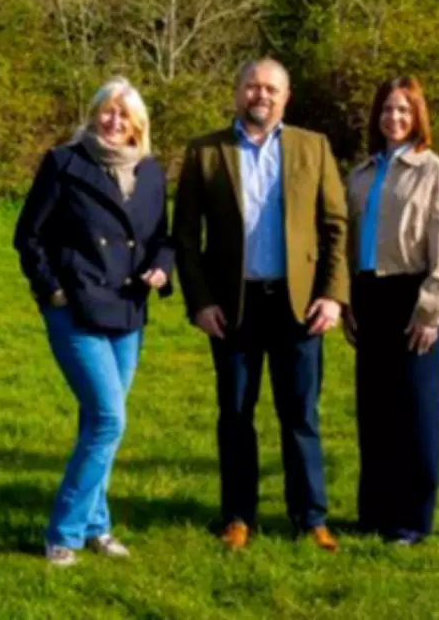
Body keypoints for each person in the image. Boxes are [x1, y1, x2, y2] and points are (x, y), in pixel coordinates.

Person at [172, 58, 349, 552]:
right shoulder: (206, 152)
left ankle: (310, 518)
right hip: (233, 307)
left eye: (271, 88)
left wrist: (333, 295)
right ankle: (237, 517)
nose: (261, 95)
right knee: (235, 414)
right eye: (252, 86)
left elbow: (336, 226)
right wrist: (200, 301)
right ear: (237, 92)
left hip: (299, 306)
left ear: (286, 97)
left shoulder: (313, 146)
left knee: (301, 415)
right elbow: (184, 236)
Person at [14, 77, 173, 566]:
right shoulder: (64, 163)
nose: (114, 121)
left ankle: (96, 526)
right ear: (93, 113)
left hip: (128, 309)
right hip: (76, 308)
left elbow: (161, 238)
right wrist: (52, 292)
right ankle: (62, 532)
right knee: (108, 419)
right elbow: (28, 235)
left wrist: (162, 267)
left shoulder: (151, 172)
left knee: (98, 423)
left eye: (124, 114)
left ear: (138, 125)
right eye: (107, 110)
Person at [345, 75, 439, 546]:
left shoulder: (434, 172)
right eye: (387, 109)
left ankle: (411, 519)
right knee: (374, 410)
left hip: (412, 296)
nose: (393, 117)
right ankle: (374, 512)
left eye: (403, 110)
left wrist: (431, 311)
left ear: (417, 117)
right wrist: (347, 302)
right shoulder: (360, 175)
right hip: (368, 296)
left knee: (415, 411)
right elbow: (348, 243)